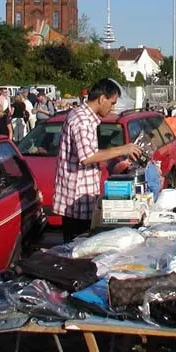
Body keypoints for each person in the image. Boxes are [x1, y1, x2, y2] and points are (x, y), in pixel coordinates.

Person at [53, 79, 142, 242]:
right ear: (102, 99)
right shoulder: (82, 120)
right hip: (77, 201)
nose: (112, 108)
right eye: (112, 103)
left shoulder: (84, 117)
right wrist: (123, 149)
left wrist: (110, 160)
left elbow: (88, 154)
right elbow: (87, 157)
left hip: (82, 198)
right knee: (77, 247)